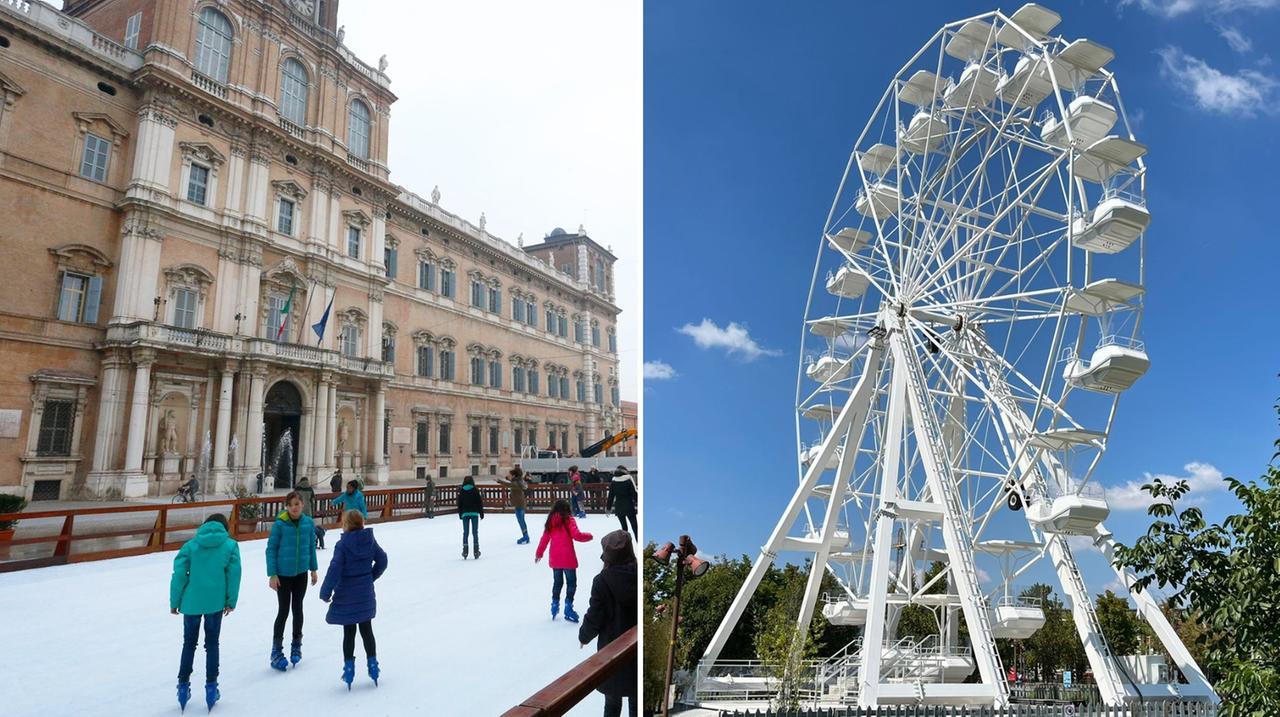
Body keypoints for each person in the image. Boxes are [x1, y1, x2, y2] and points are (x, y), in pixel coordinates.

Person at [170, 514, 241, 713]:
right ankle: (211, 687)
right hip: (215, 603)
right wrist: (230, 600)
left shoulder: (190, 546)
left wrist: (175, 601)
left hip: (191, 602)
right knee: (212, 644)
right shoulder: (230, 546)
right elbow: (234, 575)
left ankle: (183, 687)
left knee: (189, 643)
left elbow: (179, 576)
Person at [320, 509, 388, 690]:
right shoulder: (370, 541)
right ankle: (373, 665)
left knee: (349, 632)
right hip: (365, 593)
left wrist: (325, 592)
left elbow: (334, 570)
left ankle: (349, 668)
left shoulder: (342, 546)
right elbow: (383, 560)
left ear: (346, 524)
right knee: (367, 630)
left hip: (346, 594)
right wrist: (370, 576)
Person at [578, 530, 638, 717]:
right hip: (635, 654)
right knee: (636, 705)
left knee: (611, 705)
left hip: (611, 653)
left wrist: (584, 636)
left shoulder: (602, 581)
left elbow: (595, 615)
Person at [266, 492, 319, 671]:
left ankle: (296, 643)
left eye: (297, 504)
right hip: (283, 575)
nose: (295, 507)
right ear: (287, 507)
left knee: (298, 608)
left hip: (301, 573)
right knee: (283, 610)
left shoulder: (308, 523)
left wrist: (313, 569)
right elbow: (271, 549)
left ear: (302, 505)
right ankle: (276, 650)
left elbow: (311, 547)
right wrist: (272, 574)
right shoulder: (280, 525)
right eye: (292, 504)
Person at [535, 499, 593, 622]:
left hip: (555, 559)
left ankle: (555, 604)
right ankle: (568, 606)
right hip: (568, 558)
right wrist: (589, 536)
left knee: (557, 582)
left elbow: (544, 539)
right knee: (571, 583)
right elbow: (577, 535)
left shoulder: (550, 521)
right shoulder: (568, 519)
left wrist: (539, 553)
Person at [495, 467, 530, 544]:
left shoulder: (516, 483)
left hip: (519, 505)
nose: (508, 475)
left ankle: (526, 536)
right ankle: (526, 536)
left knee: (521, 521)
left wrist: (499, 481)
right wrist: (507, 478)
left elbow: (509, 484)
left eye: (510, 474)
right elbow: (511, 481)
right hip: (520, 504)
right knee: (522, 520)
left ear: (514, 475)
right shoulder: (518, 481)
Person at [457, 475, 484, 559]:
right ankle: (476, 551)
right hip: (474, 513)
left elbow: (459, 504)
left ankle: (465, 551)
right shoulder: (475, 490)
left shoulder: (462, 491)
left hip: (465, 513)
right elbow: (479, 502)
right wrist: (481, 513)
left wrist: (460, 514)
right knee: (475, 532)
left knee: (465, 532)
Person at [607, 467, 638, 538]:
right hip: (629, 506)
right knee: (635, 527)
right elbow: (634, 494)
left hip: (619, 507)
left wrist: (608, 508)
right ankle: (638, 541)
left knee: (624, 528)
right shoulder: (628, 481)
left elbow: (610, 496)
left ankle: (625, 545)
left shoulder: (614, 482)